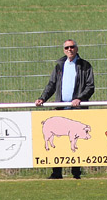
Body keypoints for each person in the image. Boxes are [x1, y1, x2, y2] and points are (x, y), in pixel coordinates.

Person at [36, 39, 95, 179]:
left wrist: (79, 98)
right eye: (67, 47)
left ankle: (76, 173)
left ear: (76, 48)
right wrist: (42, 98)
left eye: (72, 47)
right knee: (57, 140)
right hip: (60, 108)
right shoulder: (59, 66)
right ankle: (56, 173)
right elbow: (51, 84)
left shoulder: (85, 66)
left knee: (75, 139)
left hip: (77, 110)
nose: (69, 49)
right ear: (64, 50)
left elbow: (90, 86)